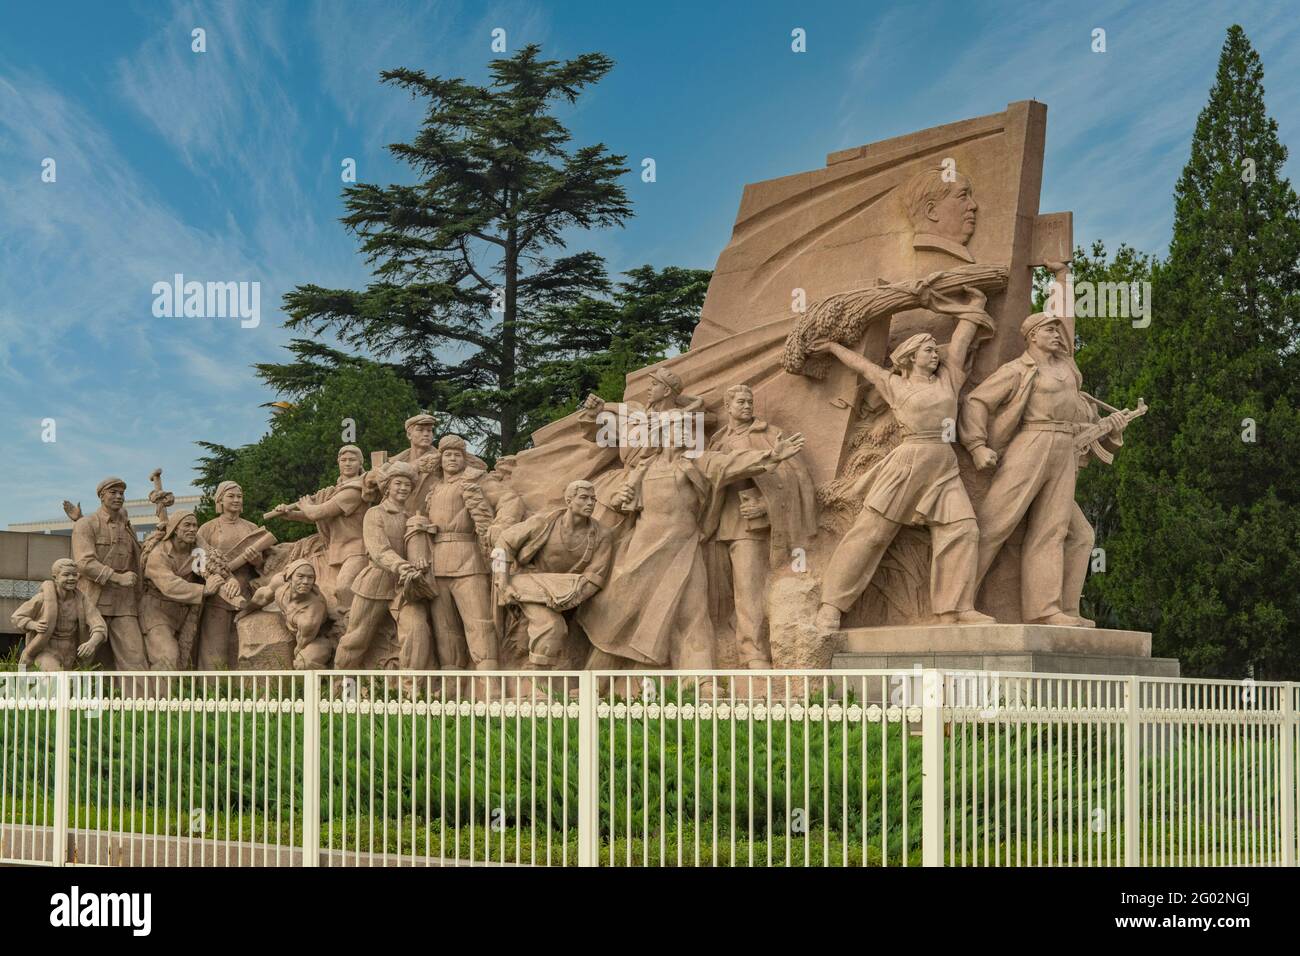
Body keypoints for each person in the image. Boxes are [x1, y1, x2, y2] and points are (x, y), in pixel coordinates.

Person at [810, 287, 996, 631]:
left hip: (943, 463)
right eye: (927, 350)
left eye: (932, 349)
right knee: (873, 532)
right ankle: (831, 606)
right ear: (910, 356)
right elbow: (864, 366)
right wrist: (833, 347)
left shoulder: (949, 380)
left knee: (963, 529)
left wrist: (976, 304)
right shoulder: (894, 384)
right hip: (908, 461)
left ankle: (953, 609)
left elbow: (960, 339)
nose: (934, 355)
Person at [577, 430, 806, 670]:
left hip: (684, 546)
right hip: (644, 548)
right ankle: (594, 681)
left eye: (687, 428)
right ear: (663, 436)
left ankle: (701, 681)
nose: (685, 433)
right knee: (623, 610)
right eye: (677, 427)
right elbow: (620, 500)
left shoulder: (696, 461)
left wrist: (772, 455)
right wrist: (619, 496)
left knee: (694, 614)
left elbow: (730, 463)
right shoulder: (644, 468)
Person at [959, 312, 1127, 625]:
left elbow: (1084, 420)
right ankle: (959, 604)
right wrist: (977, 445)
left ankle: (1047, 610)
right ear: (1033, 335)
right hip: (1031, 442)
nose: (1057, 335)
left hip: (1065, 446)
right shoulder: (1017, 369)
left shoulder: (1068, 370)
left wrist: (1112, 431)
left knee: (1053, 529)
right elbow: (976, 401)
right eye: (1050, 329)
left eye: (1058, 330)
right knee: (994, 523)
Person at [704, 384, 817, 667]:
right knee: (734, 592)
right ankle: (739, 650)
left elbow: (794, 479)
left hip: (759, 527)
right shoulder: (717, 442)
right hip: (724, 526)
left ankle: (755, 651)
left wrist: (765, 507)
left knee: (755, 590)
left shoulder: (770, 435)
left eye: (750, 401)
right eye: (740, 401)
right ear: (727, 406)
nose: (746, 406)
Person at [494, 480, 613, 670]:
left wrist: (572, 599)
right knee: (551, 626)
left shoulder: (601, 535)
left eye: (593, 499)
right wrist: (503, 582)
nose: (590, 503)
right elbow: (503, 543)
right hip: (529, 584)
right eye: (583, 498)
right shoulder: (543, 522)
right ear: (569, 501)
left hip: (569, 592)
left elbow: (595, 576)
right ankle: (538, 686)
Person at [334, 462, 435, 670]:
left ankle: (412, 693)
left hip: (406, 585)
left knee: (417, 632)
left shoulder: (412, 518)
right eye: (398, 483)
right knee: (356, 638)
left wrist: (421, 561)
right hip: (377, 580)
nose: (403, 488)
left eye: (408, 485)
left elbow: (419, 549)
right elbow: (378, 549)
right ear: (387, 487)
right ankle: (340, 689)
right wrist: (399, 565)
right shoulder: (375, 514)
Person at [419, 435, 499, 670]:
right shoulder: (434, 490)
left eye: (457, 455)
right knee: (445, 629)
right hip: (438, 563)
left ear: (465, 459)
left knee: (480, 624)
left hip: (469, 561)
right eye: (447, 454)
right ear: (440, 459)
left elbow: (484, 521)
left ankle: (491, 685)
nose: (452, 459)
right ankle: (451, 690)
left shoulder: (472, 483)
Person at [267, 444, 368, 609]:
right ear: (338, 463)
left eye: (352, 460)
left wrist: (305, 505)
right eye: (343, 460)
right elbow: (321, 517)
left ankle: (348, 626)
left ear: (360, 463)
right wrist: (291, 515)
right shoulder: (335, 490)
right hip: (334, 550)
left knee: (344, 588)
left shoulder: (355, 490)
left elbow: (318, 513)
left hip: (356, 549)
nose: (348, 463)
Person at [71, 476, 148, 670]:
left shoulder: (129, 528)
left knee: (135, 659)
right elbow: (84, 563)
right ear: (101, 496)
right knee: (85, 659)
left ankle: (140, 701)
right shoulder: (86, 524)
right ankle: (74, 700)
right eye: (113, 492)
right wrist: (117, 577)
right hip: (93, 600)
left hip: (125, 604)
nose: (119, 496)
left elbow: (139, 558)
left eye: (121, 493)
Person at [195, 481, 266, 669]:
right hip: (217, 595)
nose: (236, 500)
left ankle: (244, 692)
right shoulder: (207, 529)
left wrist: (257, 560)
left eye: (239, 496)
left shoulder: (251, 528)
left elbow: (264, 565)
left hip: (247, 594)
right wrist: (218, 579)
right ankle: (211, 694)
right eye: (231, 496)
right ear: (220, 499)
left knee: (243, 646)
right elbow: (197, 562)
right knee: (214, 648)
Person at [140, 511, 223, 668]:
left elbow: (212, 569)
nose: (192, 529)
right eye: (187, 525)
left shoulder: (197, 552)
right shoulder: (159, 553)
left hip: (182, 614)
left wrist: (228, 581)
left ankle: (176, 693)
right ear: (175, 530)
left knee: (184, 662)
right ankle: (159, 694)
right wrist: (204, 590)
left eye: (194, 525)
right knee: (167, 656)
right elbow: (169, 584)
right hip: (156, 612)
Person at [11, 559, 107, 671]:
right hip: (46, 651)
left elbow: (99, 626)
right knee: (55, 677)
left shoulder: (82, 601)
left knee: (67, 686)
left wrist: (91, 643)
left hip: (71, 654)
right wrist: (33, 624)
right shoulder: (42, 599)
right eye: (66, 575)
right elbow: (17, 617)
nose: (71, 578)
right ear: (55, 577)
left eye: (74, 575)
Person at [239, 558, 334, 669]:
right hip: (294, 631)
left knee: (303, 663)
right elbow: (262, 597)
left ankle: (321, 684)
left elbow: (302, 644)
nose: (305, 582)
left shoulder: (313, 609)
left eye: (310, 578)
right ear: (289, 578)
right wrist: (245, 611)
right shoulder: (280, 583)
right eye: (300, 576)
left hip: (317, 640)